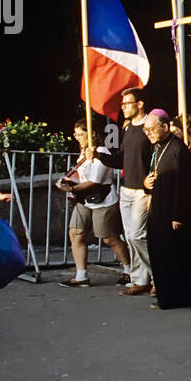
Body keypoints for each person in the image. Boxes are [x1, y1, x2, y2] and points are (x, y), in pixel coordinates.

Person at [56, 117, 130, 288]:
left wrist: (72, 189)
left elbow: (96, 181)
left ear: (92, 134)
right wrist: (67, 181)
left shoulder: (102, 152)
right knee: (75, 233)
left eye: (81, 134)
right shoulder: (83, 152)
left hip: (102, 199)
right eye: (75, 134)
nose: (77, 137)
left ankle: (129, 269)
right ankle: (81, 275)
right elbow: (81, 176)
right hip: (84, 199)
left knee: (108, 238)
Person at [142, 111, 191, 310]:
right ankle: (165, 296)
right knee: (159, 253)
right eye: (146, 129)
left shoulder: (178, 149)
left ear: (165, 127)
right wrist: (145, 185)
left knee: (175, 256)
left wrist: (178, 214)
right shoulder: (157, 148)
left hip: (173, 212)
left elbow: (182, 186)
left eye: (151, 129)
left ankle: (181, 297)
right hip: (158, 208)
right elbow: (154, 176)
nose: (148, 133)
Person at [102, 87, 153, 296]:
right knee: (130, 235)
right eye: (122, 105)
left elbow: (155, 156)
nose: (123, 108)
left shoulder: (149, 126)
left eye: (127, 104)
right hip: (127, 188)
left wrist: (152, 188)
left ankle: (156, 275)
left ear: (139, 104)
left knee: (138, 235)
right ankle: (139, 278)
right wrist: (99, 156)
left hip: (143, 190)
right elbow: (121, 158)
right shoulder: (126, 128)